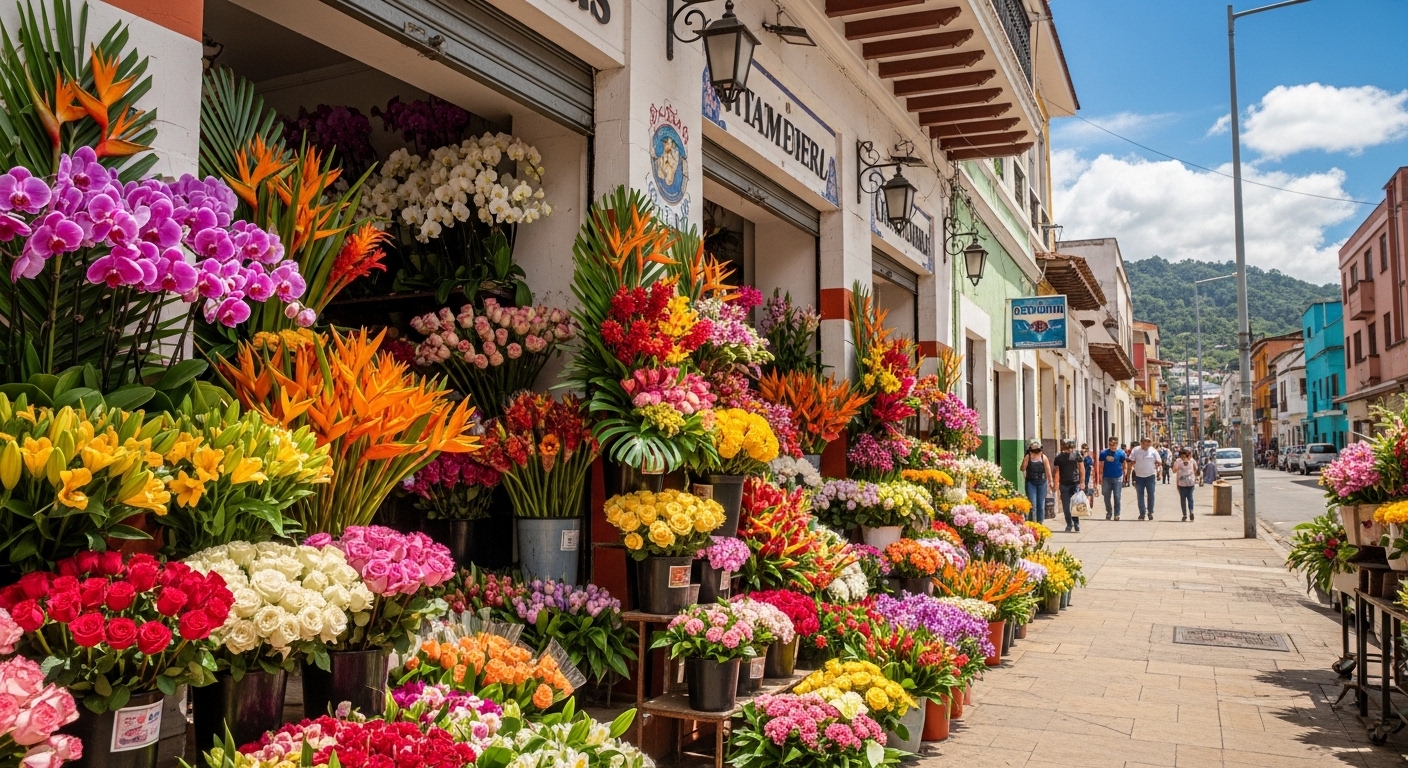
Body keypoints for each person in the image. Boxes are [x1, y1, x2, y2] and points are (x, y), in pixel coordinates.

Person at [1052, 439, 1085, 533]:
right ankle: (1069, 524)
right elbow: (1056, 471)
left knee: (1075, 505)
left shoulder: (1077, 455)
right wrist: (1056, 483)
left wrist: (1082, 482)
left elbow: (1081, 468)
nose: (1069, 450)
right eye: (1067, 448)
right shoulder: (1059, 457)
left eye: (1071, 448)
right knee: (1066, 507)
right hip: (1064, 484)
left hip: (1075, 484)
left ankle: (1076, 523)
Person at [1020, 440, 1053, 525]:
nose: (1036, 452)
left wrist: (1050, 481)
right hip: (1031, 482)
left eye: (1038, 450)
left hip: (1042, 482)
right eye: (1034, 451)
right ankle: (1032, 522)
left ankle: (1040, 522)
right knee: (1032, 504)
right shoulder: (1028, 457)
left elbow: (1048, 470)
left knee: (1041, 505)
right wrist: (1025, 459)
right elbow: (1022, 468)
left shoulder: (1043, 457)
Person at [1128, 437, 1162, 521]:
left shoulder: (1153, 451)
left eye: (1148, 444)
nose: (1147, 445)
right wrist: (1128, 475)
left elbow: (1159, 462)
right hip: (1139, 476)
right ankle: (1142, 513)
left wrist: (1159, 472)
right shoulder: (1136, 450)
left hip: (1150, 476)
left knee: (1151, 494)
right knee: (1140, 495)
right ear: (1141, 443)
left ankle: (1150, 512)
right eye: (1145, 443)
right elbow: (1130, 461)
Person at [1099, 437, 1126, 520]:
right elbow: (1101, 464)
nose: (1112, 446)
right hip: (1106, 478)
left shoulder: (1121, 453)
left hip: (1117, 478)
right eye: (1110, 444)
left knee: (1117, 496)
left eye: (1114, 444)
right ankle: (1109, 512)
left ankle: (1117, 514)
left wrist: (1125, 476)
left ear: (1117, 444)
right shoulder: (1104, 453)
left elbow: (1124, 464)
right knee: (1106, 496)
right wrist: (1100, 476)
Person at [1174, 448, 1199, 521]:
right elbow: (1196, 469)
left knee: (1183, 499)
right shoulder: (1192, 460)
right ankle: (1190, 511)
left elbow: (1174, 470)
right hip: (1189, 482)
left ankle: (1185, 514)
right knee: (1190, 497)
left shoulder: (1178, 461)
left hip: (1182, 483)